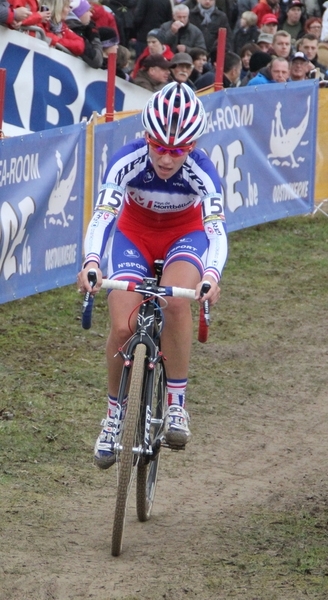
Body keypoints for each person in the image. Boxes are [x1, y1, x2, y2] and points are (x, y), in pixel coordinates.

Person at [77, 82, 228, 469]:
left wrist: (210, 275)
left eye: (178, 150)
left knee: (177, 300)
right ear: (146, 137)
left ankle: (176, 404)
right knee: (124, 327)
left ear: (193, 147)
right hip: (134, 234)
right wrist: (92, 262)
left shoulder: (203, 172)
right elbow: (103, 216)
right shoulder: (126, 160)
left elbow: (215, 231)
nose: (166, 158)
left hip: (185, 235)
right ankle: (113, 416)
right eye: (159, 146)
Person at [66, 0, 103, 68]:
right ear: (79, 13)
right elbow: (97, 60)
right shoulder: (76, 33)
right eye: (87, 11)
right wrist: (94, 35)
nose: (91, 14)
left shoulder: (81, 30)